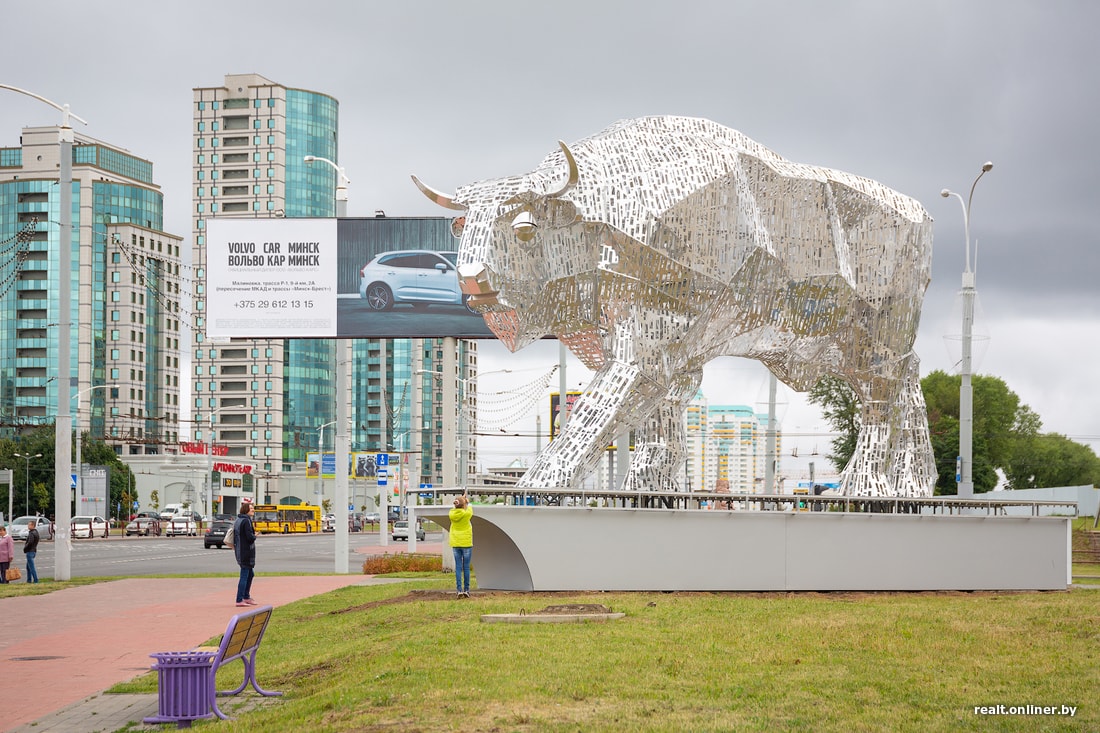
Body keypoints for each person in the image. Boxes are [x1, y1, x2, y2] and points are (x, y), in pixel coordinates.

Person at [449, 493, 474, 598]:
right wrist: (466, 501)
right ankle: (467, 590)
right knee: (466, 567)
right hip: (466, 543)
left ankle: (459, 590)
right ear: (464, 505)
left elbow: (454, 508)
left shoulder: (451, 514)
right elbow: (470, 507)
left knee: (458, 567)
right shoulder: (467, 513)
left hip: (456, 543)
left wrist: (460, 500)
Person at [233, 500, 257, 607]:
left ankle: (246, 597)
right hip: (246, 551)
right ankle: (240, 599)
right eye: (251, 509)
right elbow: (249, 537)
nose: (253, 510)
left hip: (239, 550)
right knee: (245, 575)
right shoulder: (246, 521)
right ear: (246, 510)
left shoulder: (238, 520)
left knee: (250, 574)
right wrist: (255, 535)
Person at [23, 519, 40, 583]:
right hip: (33, 551)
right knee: (28, 567)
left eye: (29, 525)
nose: (28, 526)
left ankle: (35, 580)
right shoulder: (36, 532)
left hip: (30, 551)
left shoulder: (32, 533)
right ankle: (29, 580)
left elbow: (30, 542)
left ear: (33, 525)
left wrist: (25, 548)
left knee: (31, 567)